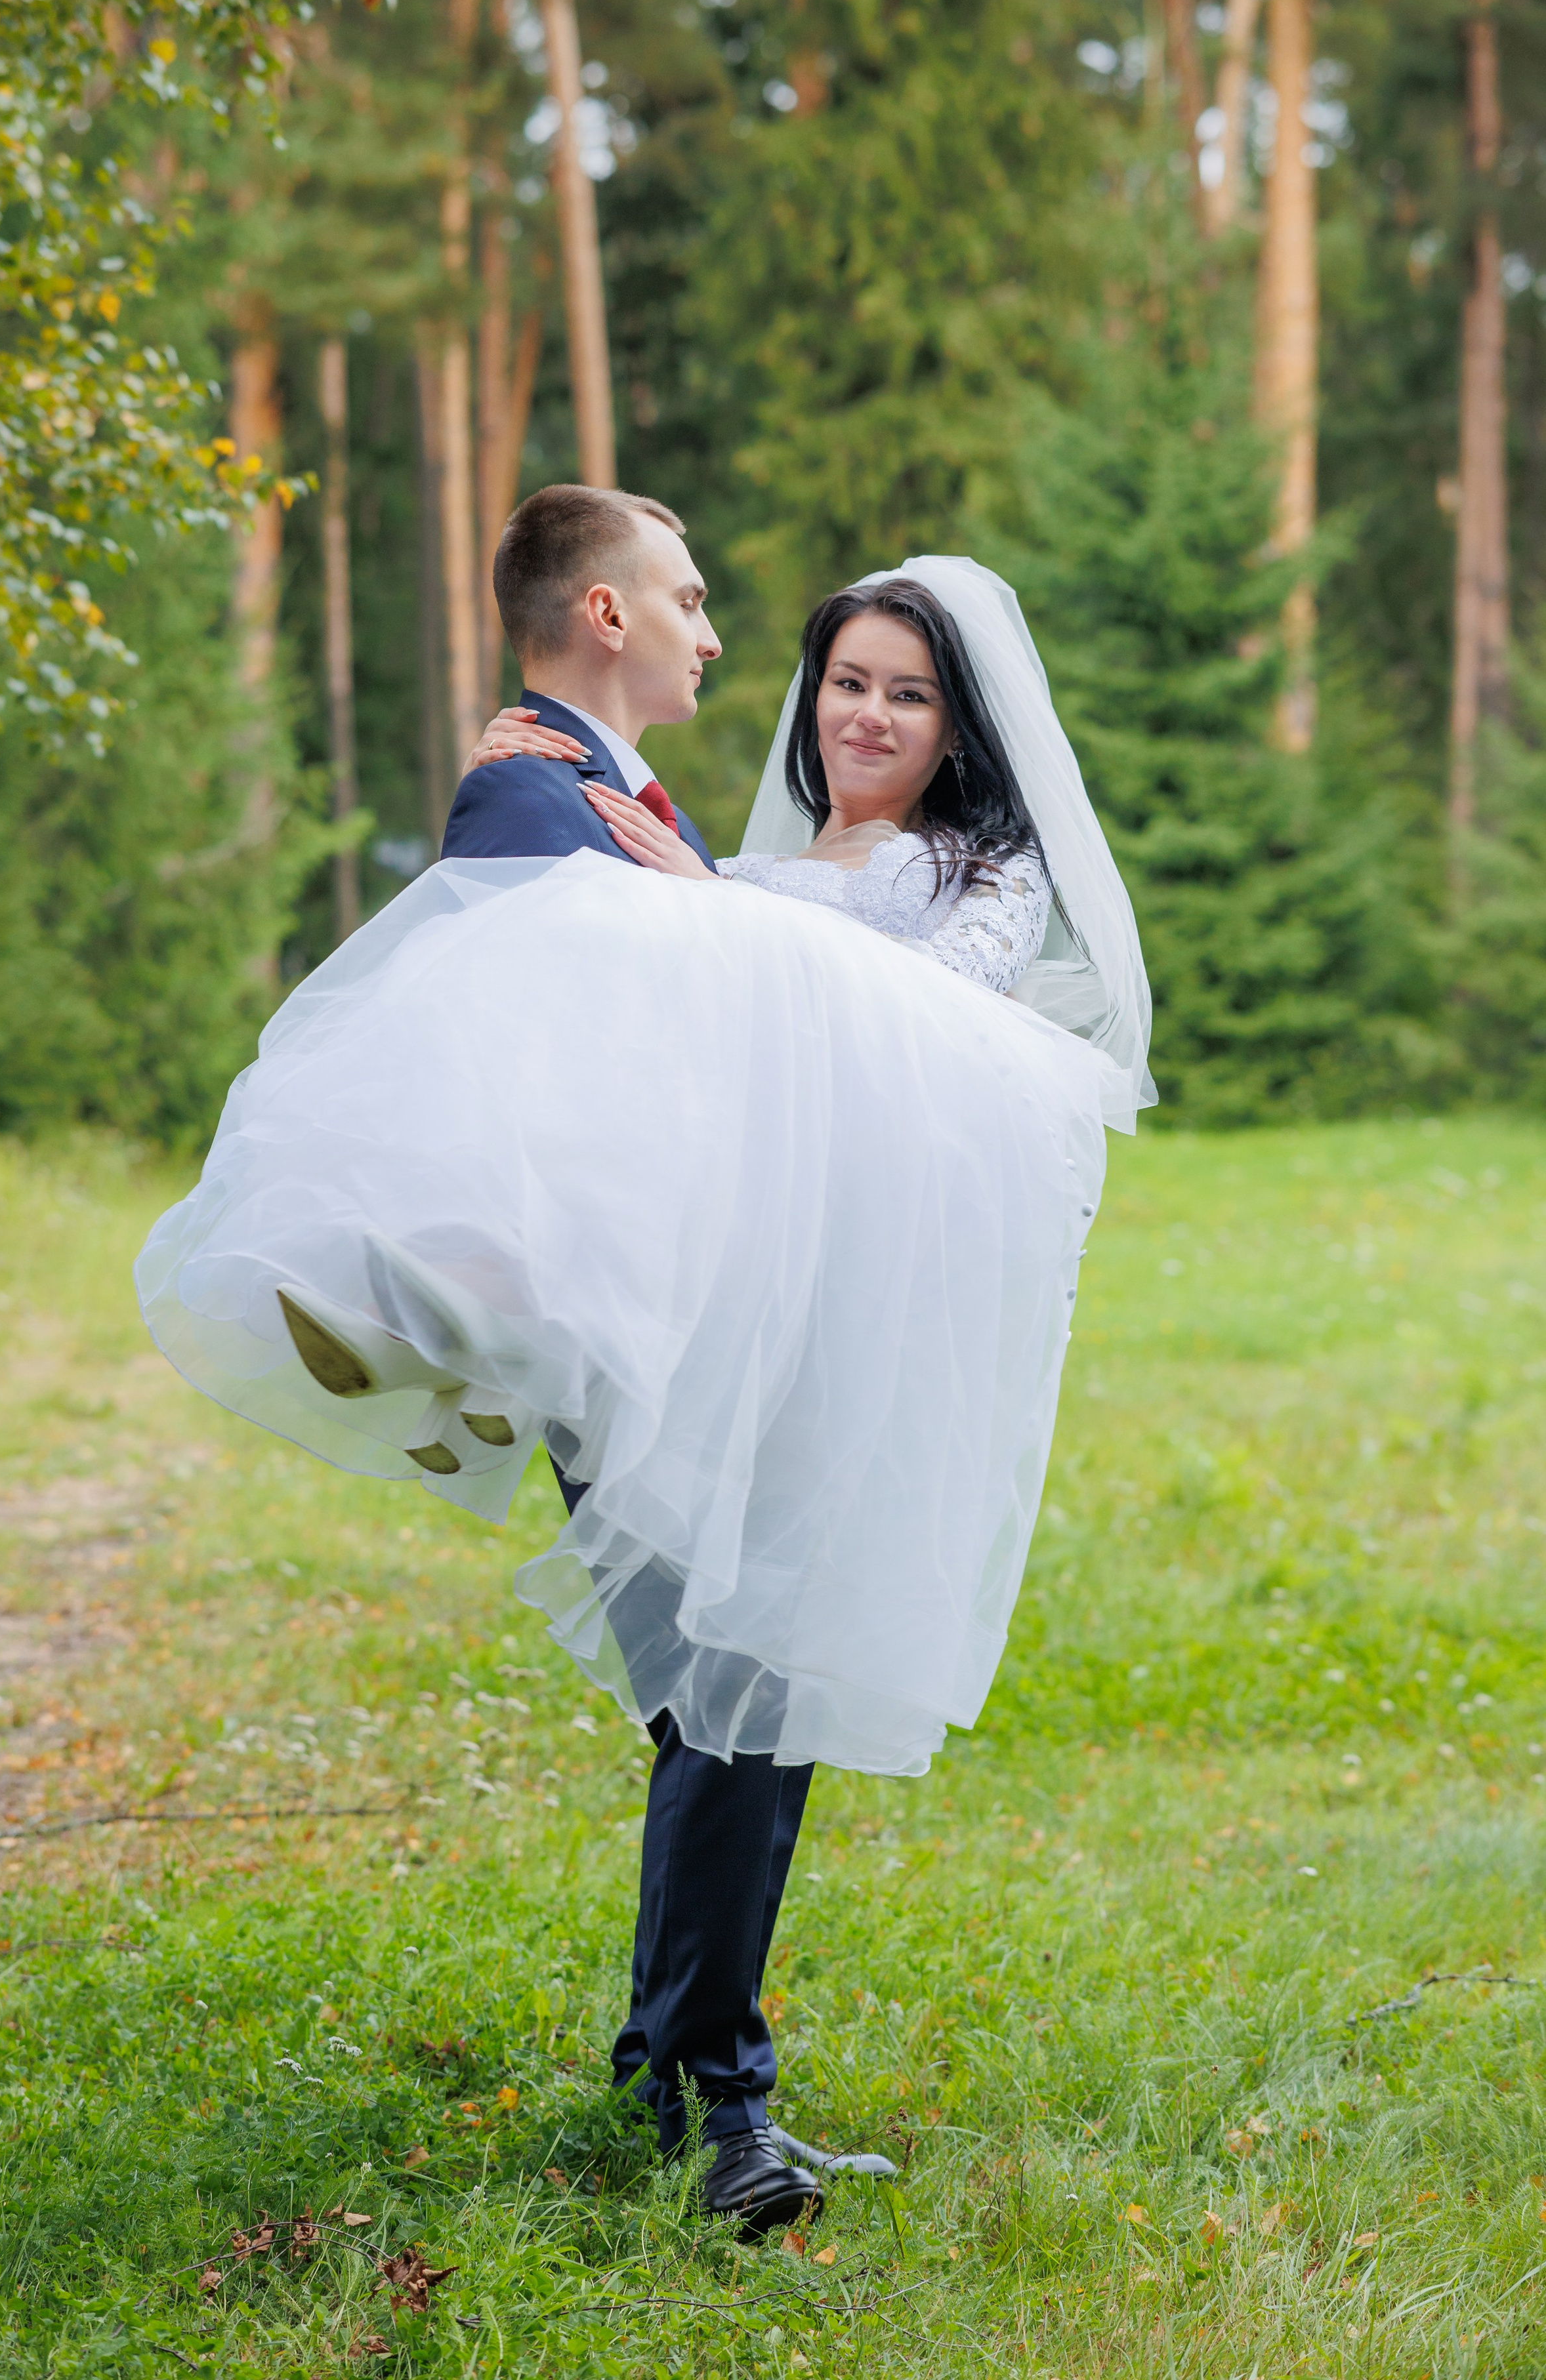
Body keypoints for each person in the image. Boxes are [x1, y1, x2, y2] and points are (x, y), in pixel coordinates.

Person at [135, 490, 1152, 2238]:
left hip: (809, 1325)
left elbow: (931, 1045)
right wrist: (721, 920)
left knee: (743, 1709)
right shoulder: (610, 813)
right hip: (694, 1332)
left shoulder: (910, 868)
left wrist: (717, 918)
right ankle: (716, 2113)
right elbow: (549, 1028)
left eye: (906, 696)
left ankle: (681, 2077)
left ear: (958, 726)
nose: (856, 714)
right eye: (847, 683)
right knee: (737, 1703)